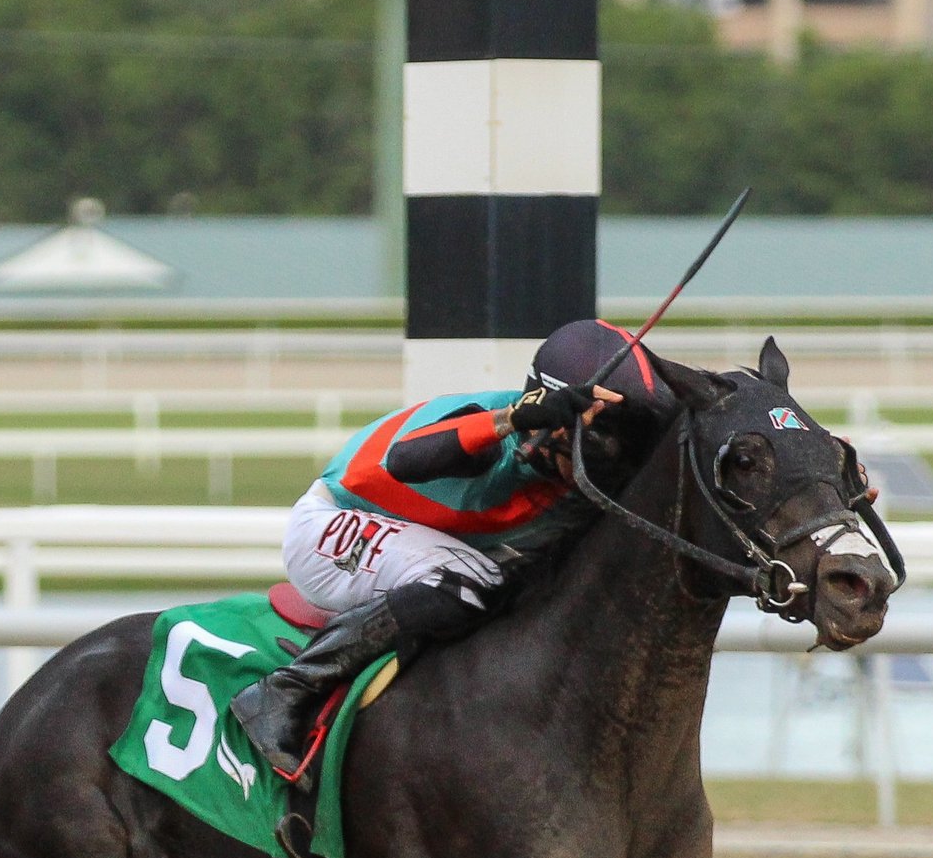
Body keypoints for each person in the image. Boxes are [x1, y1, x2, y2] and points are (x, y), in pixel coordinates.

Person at [230, 318, 675, 779]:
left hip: (415, 540)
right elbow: (406, 458)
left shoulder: (564, 478)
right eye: (596, 459)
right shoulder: (499, 439)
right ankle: (286, 690)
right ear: (554, 432)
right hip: (328, 526)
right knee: (469, 581)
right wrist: (517, 416)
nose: (603, 479)